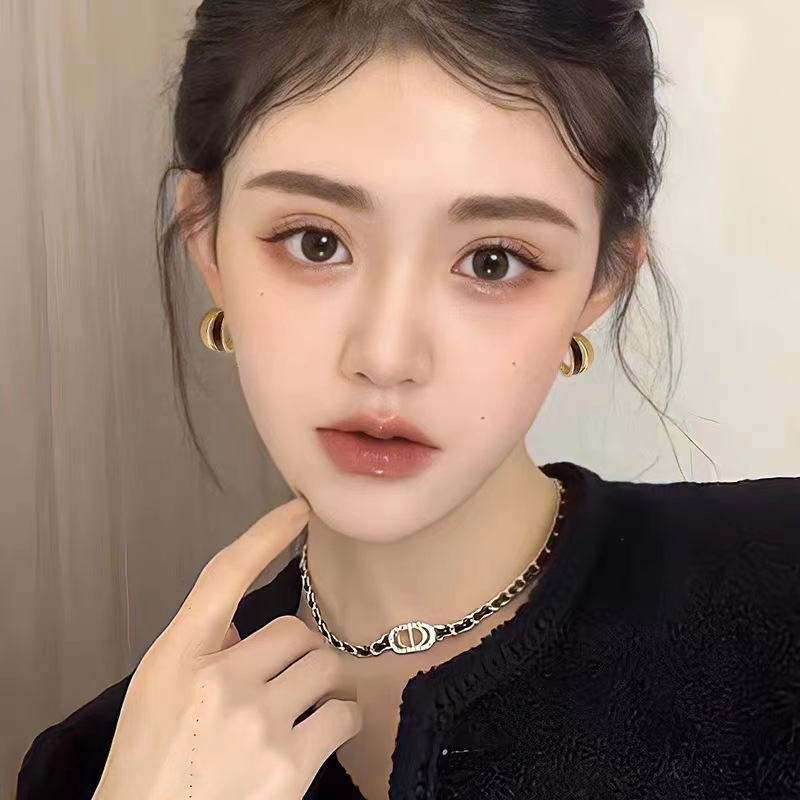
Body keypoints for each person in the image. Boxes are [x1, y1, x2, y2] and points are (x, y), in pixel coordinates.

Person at [16, 1, 800, 799]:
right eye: (316, 242)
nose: (386, 358)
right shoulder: (91, 767)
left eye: (493, 261)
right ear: (209, 245)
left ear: (600, 284)